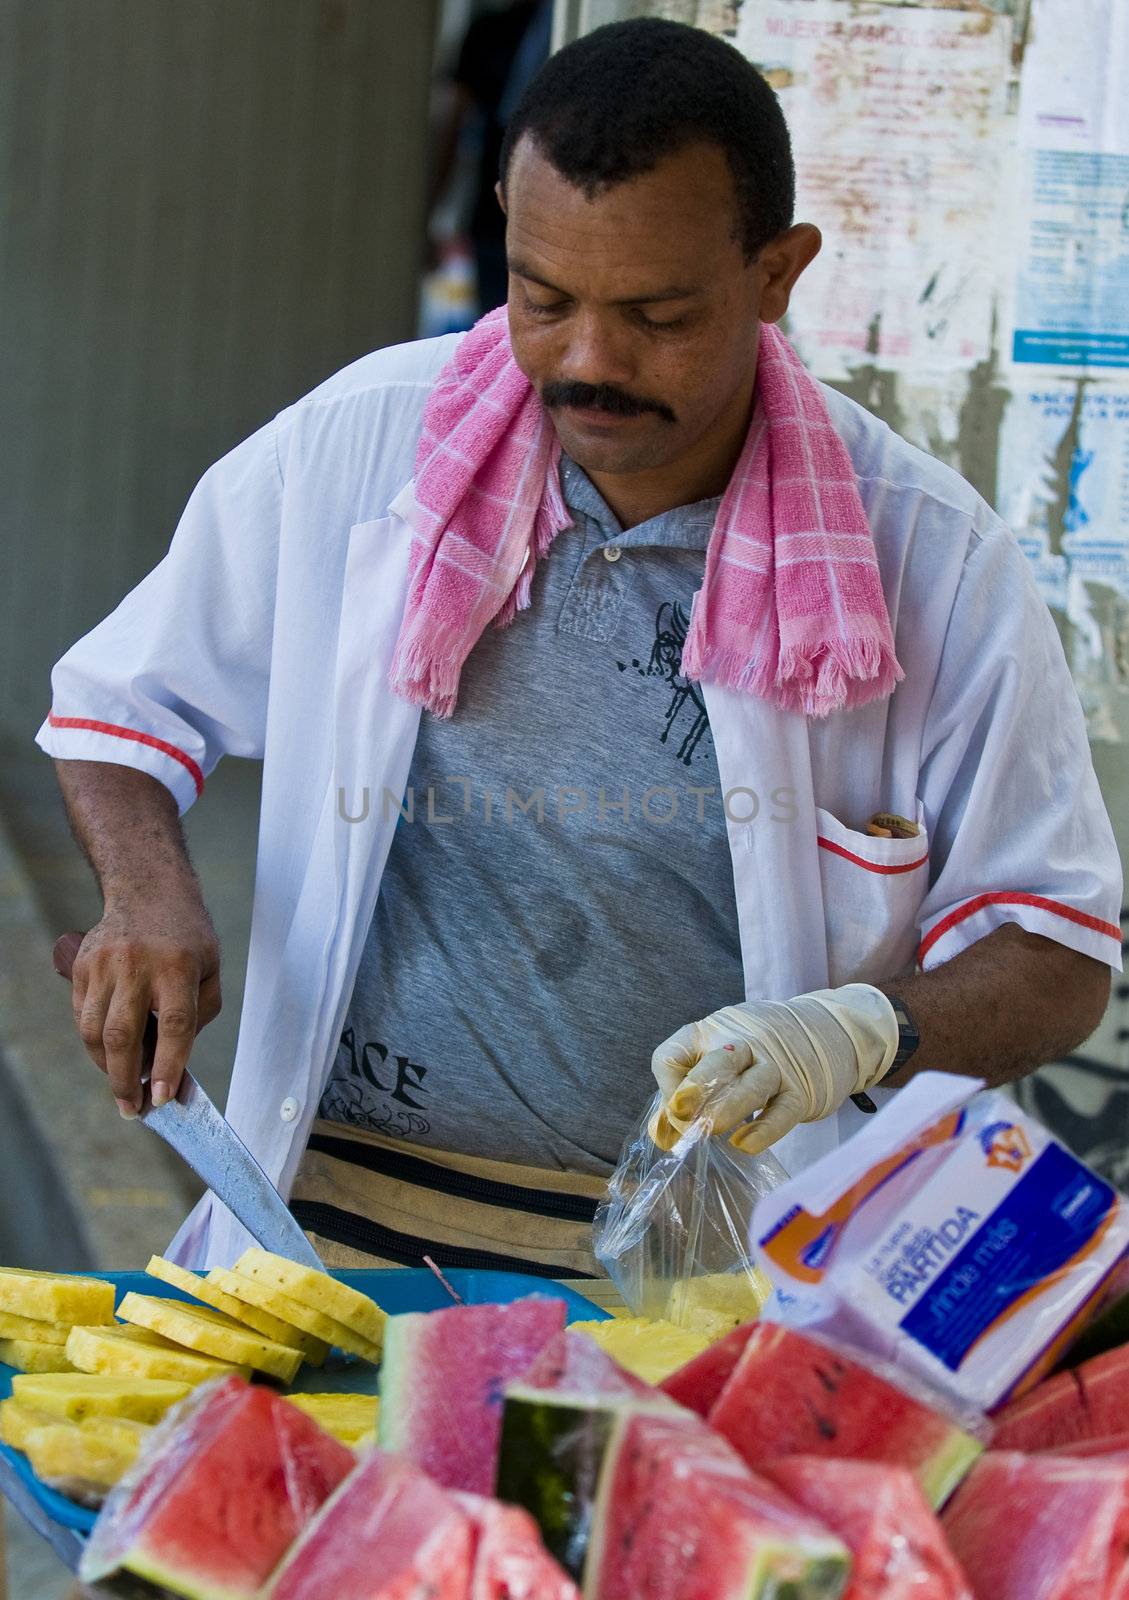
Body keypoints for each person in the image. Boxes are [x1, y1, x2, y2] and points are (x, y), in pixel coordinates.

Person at [40, 20, 1121, 1274]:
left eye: (660, 315)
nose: (589, 363)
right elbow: (121, 708)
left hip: (717, 1274)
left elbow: (1052, 953)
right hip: (332, 1229)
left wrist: (855, 1031)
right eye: (543, 300)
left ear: (778, 274)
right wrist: (147, 894)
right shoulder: (358, 446)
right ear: (503, 222)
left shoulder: (932, 556)